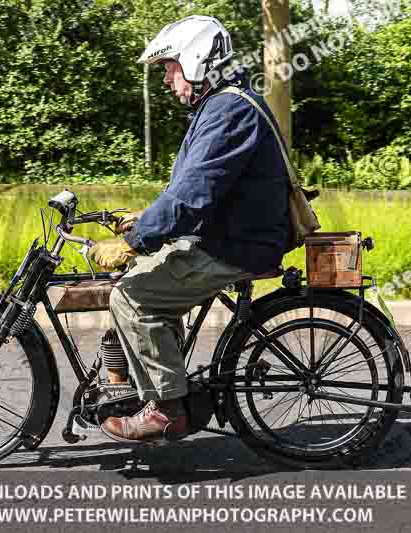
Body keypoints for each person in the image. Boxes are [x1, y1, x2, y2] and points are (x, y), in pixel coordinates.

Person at [87, 15, 291, 444]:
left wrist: (132, 242)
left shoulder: (228, 111)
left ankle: (165, 409)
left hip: (235, 245)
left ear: (197, 60)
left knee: (133, 296)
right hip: (227, 234)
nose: (165, 80)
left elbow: (192, 197)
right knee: (143, 275)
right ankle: (132, 376)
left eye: (169, 67)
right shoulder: (219, 106)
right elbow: (191, 188)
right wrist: (146, 219)